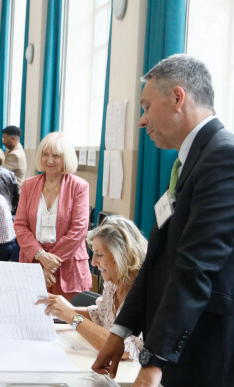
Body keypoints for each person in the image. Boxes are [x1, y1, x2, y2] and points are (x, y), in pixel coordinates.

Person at [92, 55, 234, 387]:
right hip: (179, 346)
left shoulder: (222, 157)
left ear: (177, 98)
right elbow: (157, 261)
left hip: (204, 351)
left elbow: (195, 267)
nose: (142, 121)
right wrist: (120, 330)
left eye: (146, 106)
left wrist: (155, 359)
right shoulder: (189, 161)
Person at [36, 215, 147, 360]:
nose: (93, 262)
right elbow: (101, 315)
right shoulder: (113, 281)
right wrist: (62, 309)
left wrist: (70, 316)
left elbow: (122, 348)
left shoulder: (144, 292)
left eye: (100, 255)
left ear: (121, 255)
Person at [14, 132, 92, 301]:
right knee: (30, 318)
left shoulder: (79, 187)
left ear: (66, 158)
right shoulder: (29, 185)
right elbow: (20, 225)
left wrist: (50, 264)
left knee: (66, 323)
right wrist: (41, 256)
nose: (50, 160)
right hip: (33, 261)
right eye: (45, 154)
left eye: (56, 156)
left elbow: (79, 230)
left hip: (68, 265)